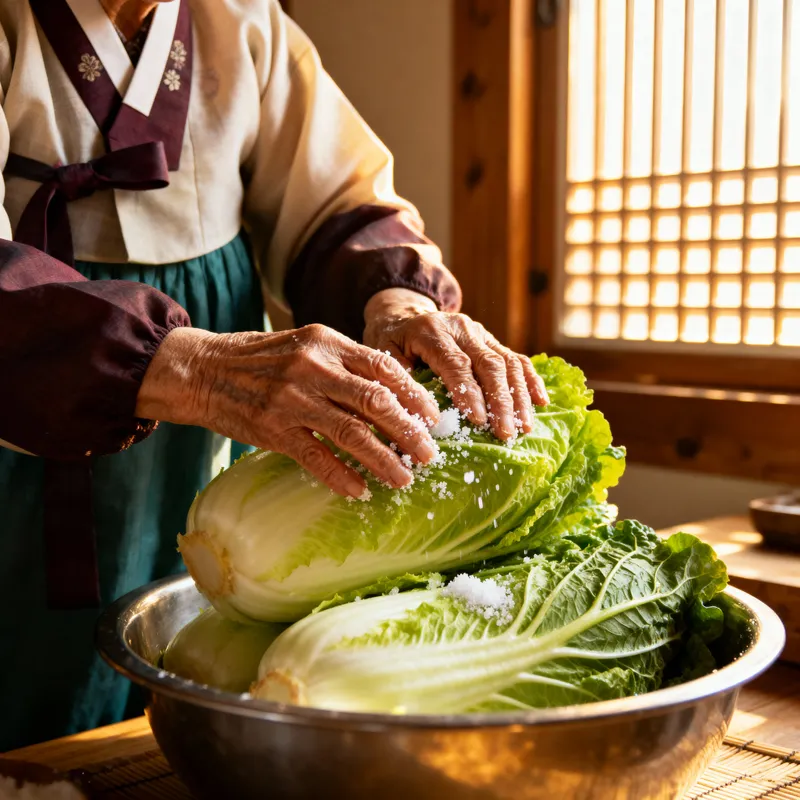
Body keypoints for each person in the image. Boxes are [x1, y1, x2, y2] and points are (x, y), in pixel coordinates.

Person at [0, 0, 548, 751]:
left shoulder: (242, 24)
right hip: (19, 448)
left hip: (194, 466)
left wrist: (394, 297)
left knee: (188, 676)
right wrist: (187, 364)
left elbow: (338, 199)